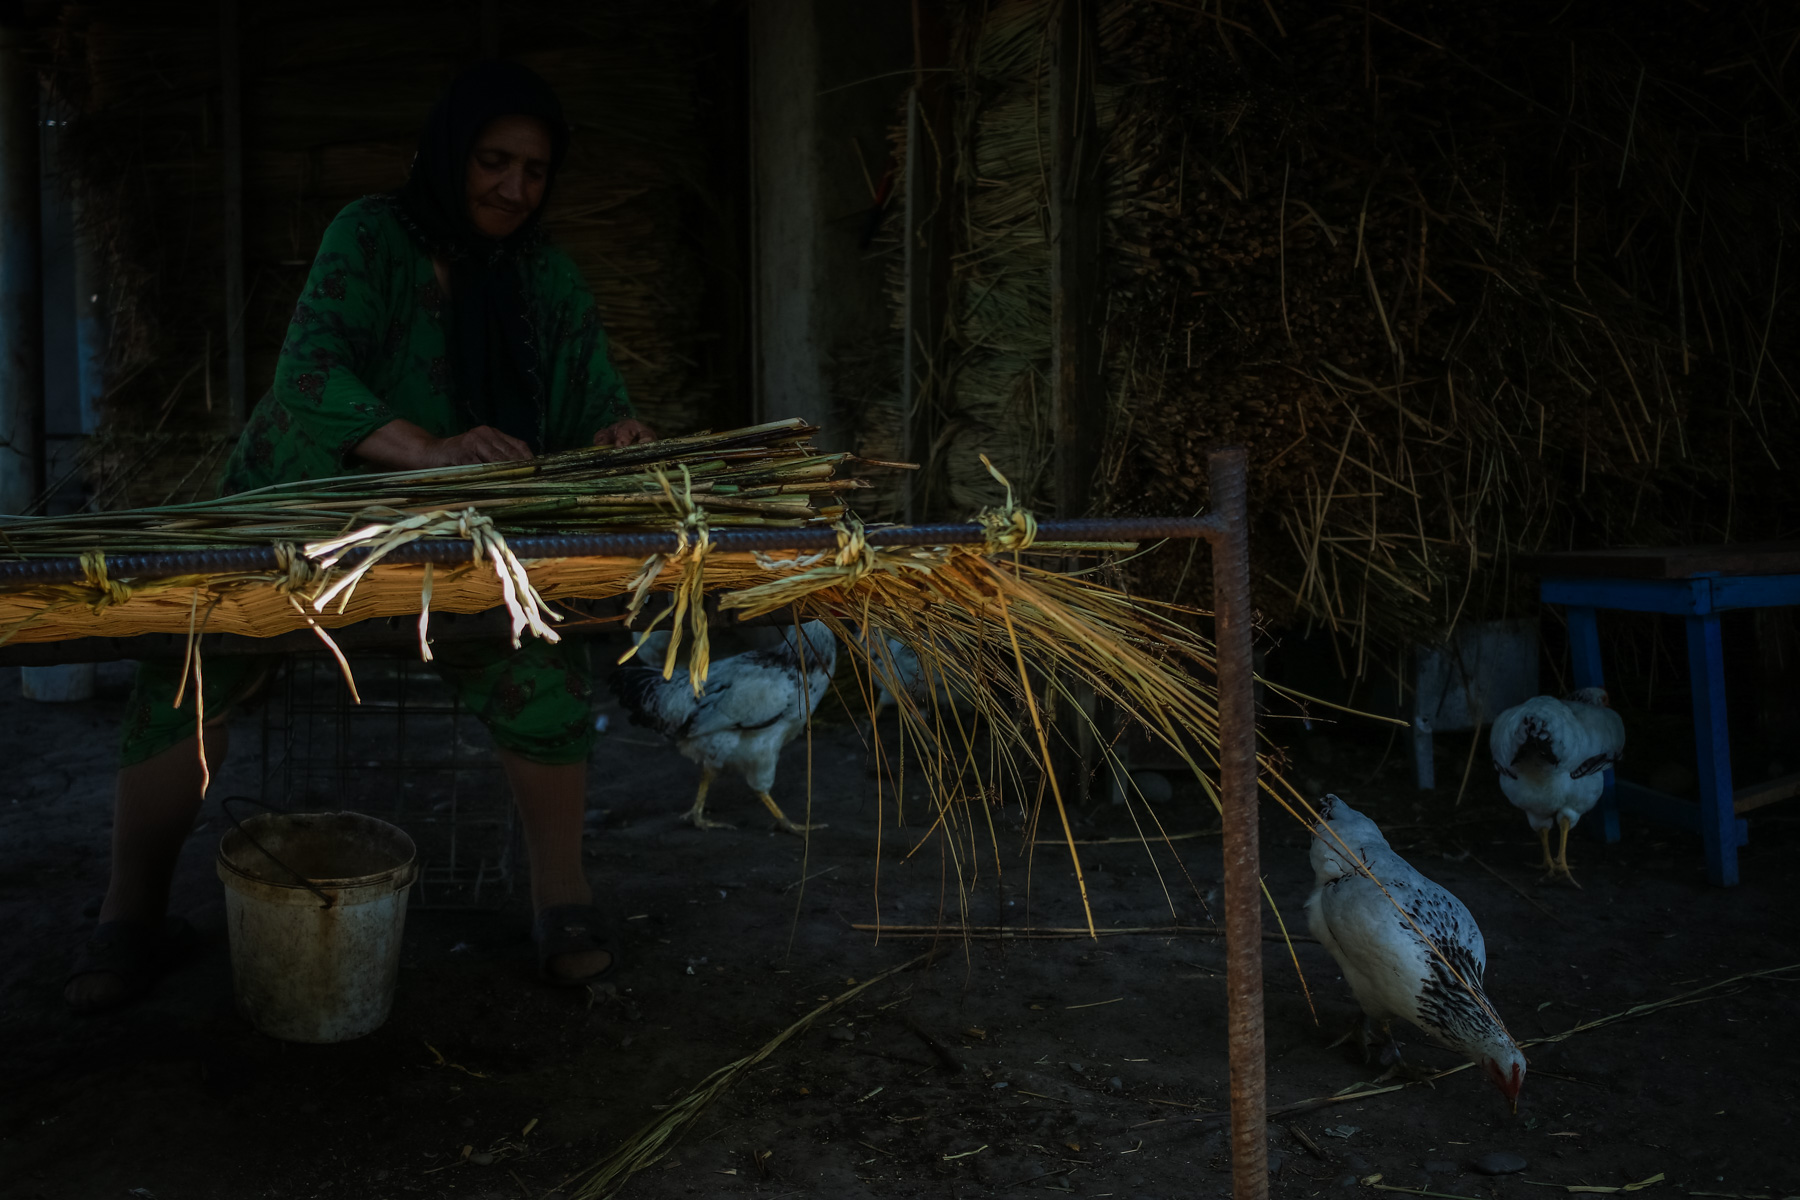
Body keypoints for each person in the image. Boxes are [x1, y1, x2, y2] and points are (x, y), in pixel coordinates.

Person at [64, 60, 653, 1013]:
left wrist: (620, 437)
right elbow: (309, 376)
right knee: (191, 666)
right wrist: (427, 448)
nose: (512, 188)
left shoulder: (544, 276)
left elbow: (595, 401)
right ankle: (125, 915)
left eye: (535, 171)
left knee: (540, 658)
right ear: (448, 155)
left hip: (457, 536)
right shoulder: (370, 238)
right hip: (303, 516)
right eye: (492, 161)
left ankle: (563, 902)